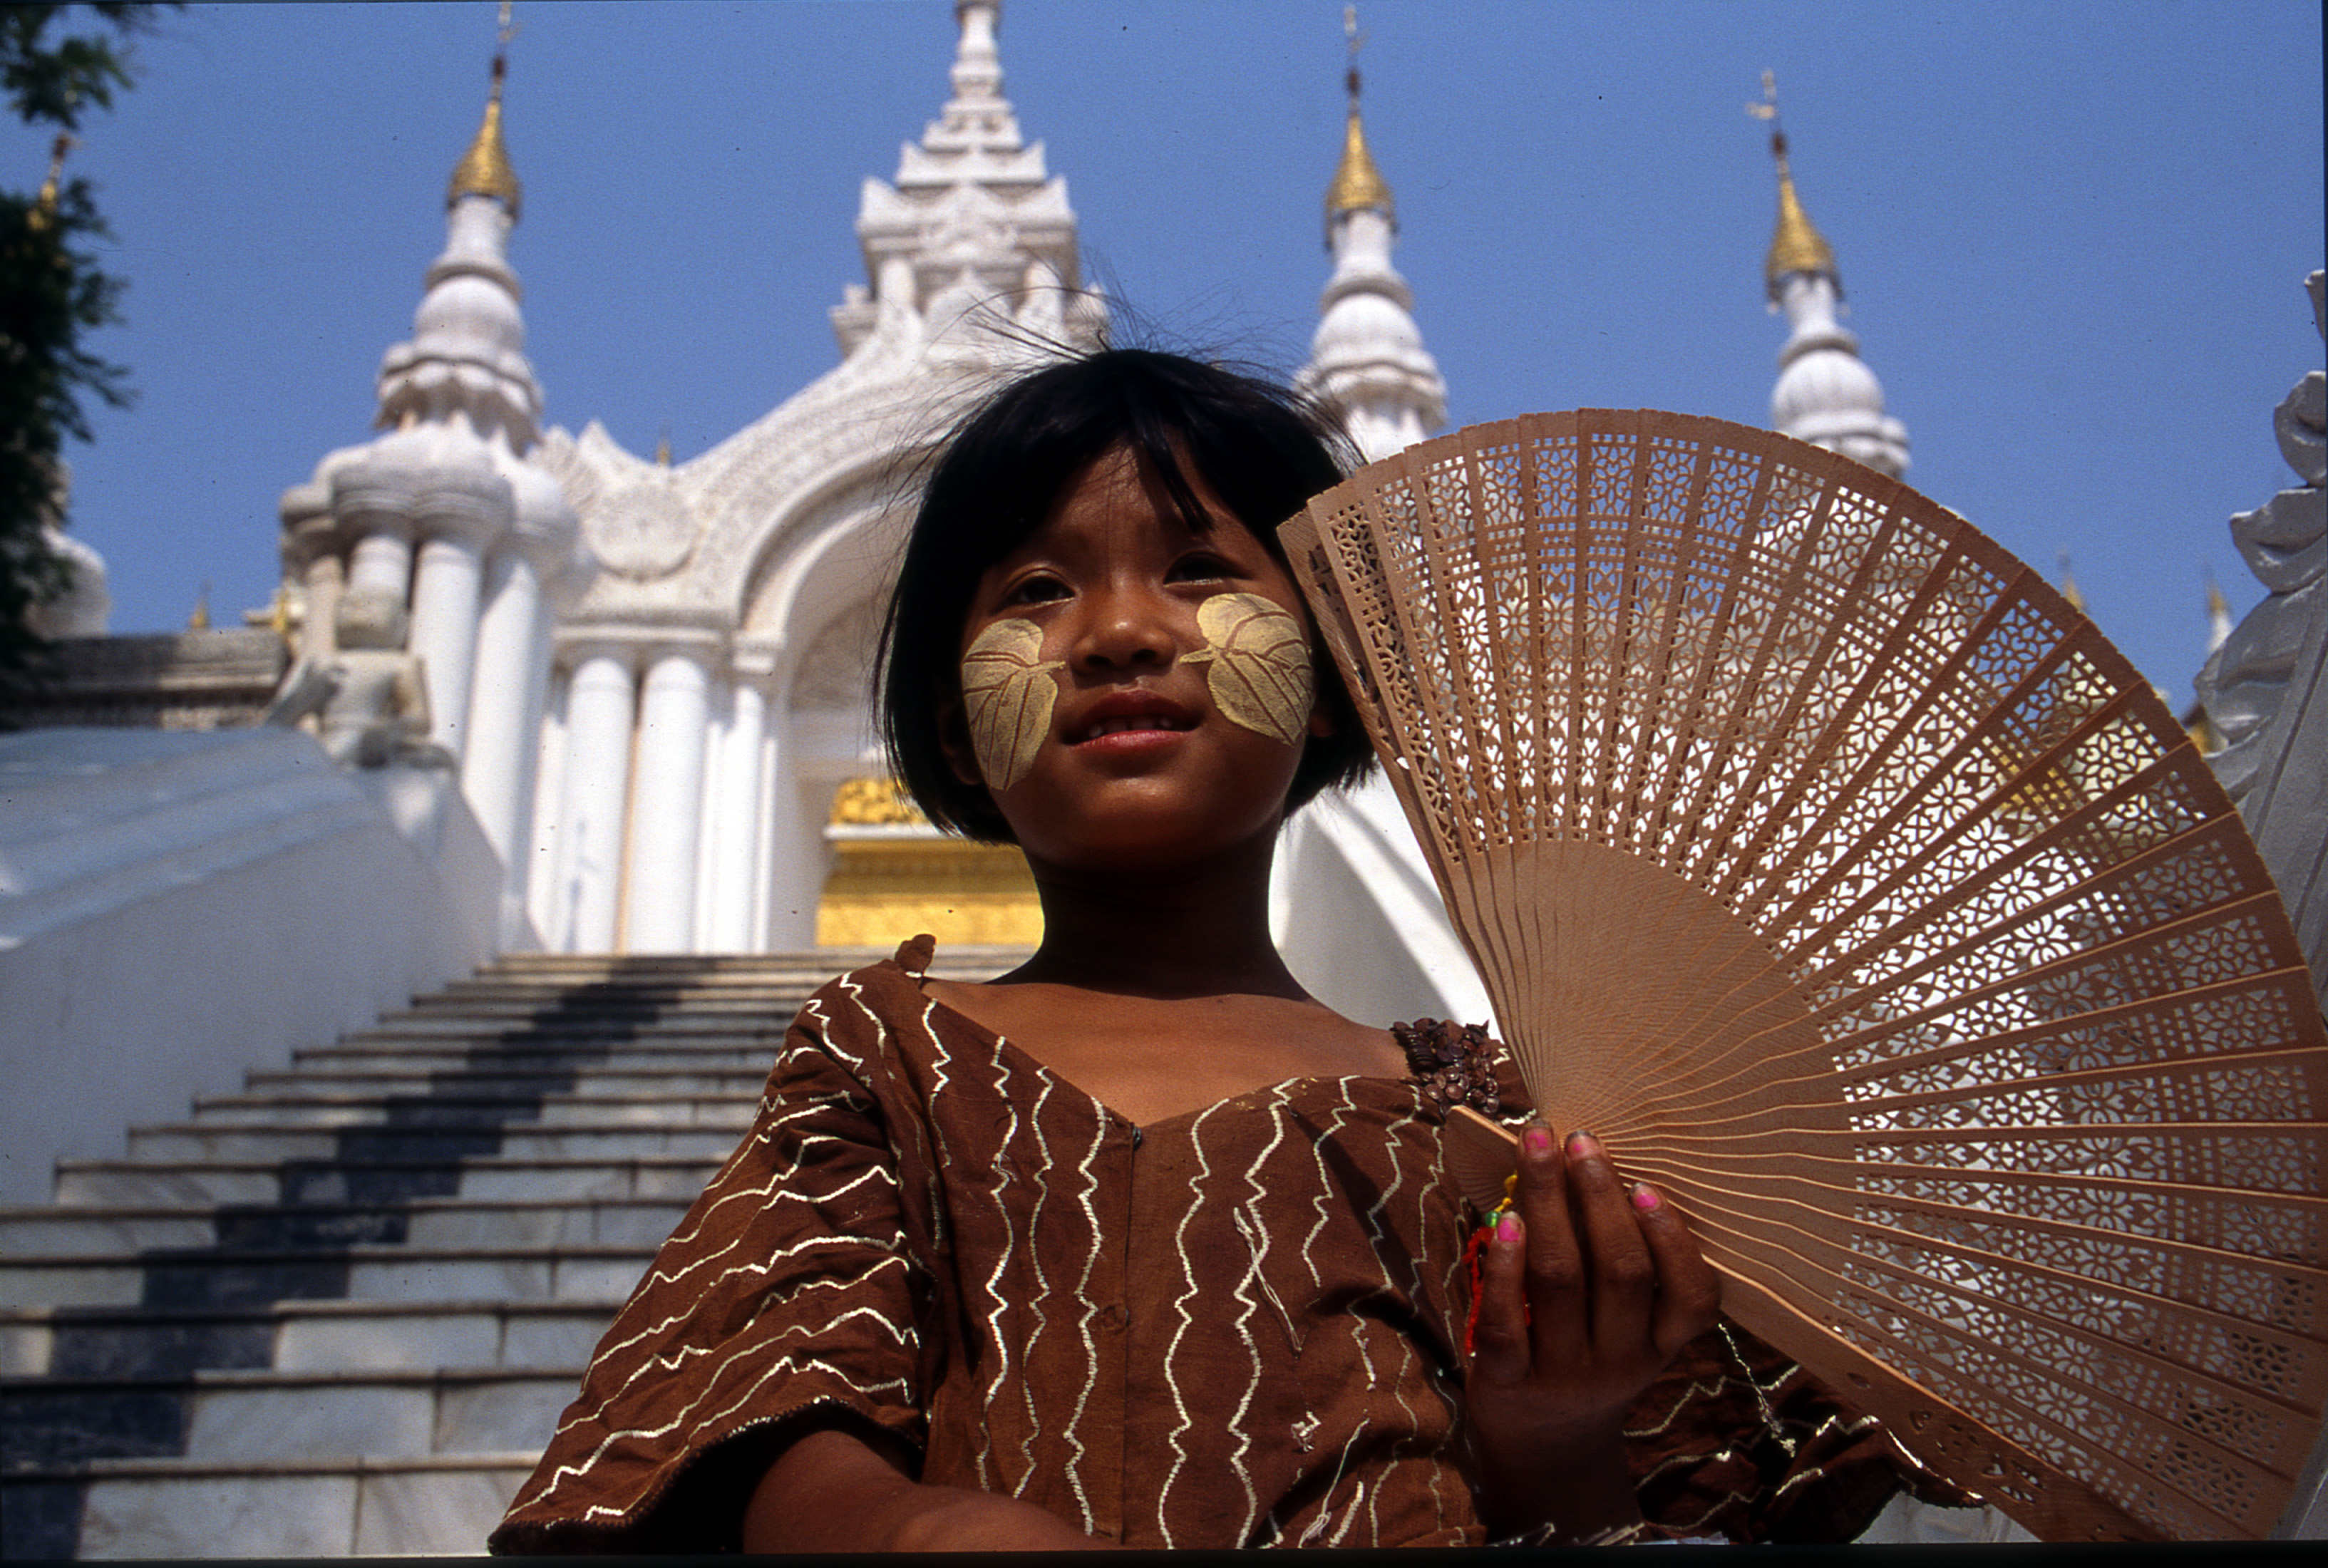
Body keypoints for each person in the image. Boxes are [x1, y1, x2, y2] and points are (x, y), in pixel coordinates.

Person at [490, 349, 1957, 1552]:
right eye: (1035, 592)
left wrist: (1556, 1419)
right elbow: (758, 1396)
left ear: (1327, 683)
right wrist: (901, 1526)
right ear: (954, 726)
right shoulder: (891, 1058)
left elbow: (1629, 1502)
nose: (1120, 631)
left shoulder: (1483, 1112)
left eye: (1199, 570)